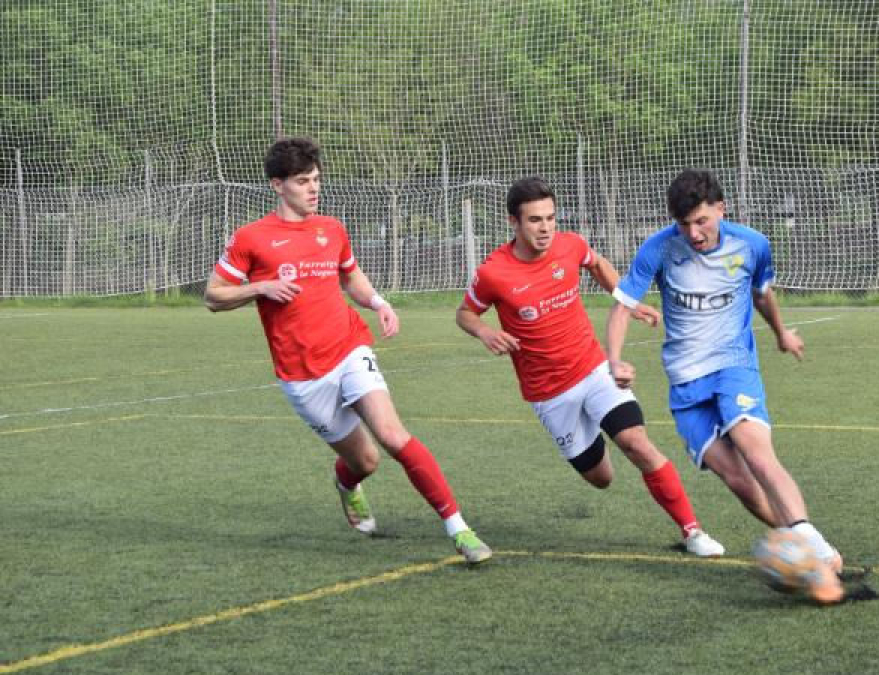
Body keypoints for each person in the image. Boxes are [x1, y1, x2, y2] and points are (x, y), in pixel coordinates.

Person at [204, 136, 491, 564]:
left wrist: (378, 303)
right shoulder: (252, 238)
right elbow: (213, 295)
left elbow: (350, 276)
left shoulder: (332, 229)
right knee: (366, 460)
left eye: (317, 180)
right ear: (277, 185)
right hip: (302, 375)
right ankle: (347, 484)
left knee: (393, 435)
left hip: (348, 346)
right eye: (303, 182)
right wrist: (260, 287)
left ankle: (460, 530)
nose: (313, 189)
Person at [456, 177, 725, 557]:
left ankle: (692, 532)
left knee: (636, 443)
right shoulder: (494, 273)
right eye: (535, 220)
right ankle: (595, 434)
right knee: (600, 478)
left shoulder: (571, 245)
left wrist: (626, 300)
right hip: (548, 393)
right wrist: (484, 330)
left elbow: (596, 264)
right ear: (513, 223)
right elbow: (465, 313)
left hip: (593, 369)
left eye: (550, 218)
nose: (546, 228)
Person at [606, 169, 843, 597]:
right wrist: (615, 359)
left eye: (702, 221)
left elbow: (761, 294)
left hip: (734, 366)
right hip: (685, 384)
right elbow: (622, 307)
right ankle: (804, 551)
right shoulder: (658, 249)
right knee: (737, 479)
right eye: (685, 225)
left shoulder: (751, 244)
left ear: (720, 209)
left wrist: (780, 333)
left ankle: (814, 546)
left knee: (755, 452)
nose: (694, 233)